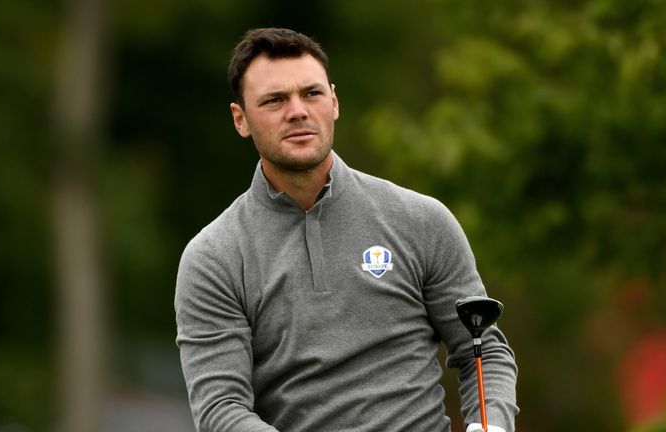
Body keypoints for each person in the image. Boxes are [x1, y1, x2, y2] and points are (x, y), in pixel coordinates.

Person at [175, 27, 518, 432]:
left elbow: (484, 353)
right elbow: (221, 409)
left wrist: (490, 424)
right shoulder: (214, 258)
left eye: (312, 93)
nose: (298, 111)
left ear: (334, 102)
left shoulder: (422, 221)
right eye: (274, 100)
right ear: (241, 120)